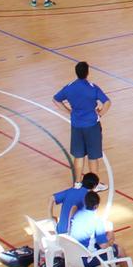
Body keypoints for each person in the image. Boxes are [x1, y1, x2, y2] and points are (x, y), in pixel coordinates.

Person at [54, 60, 110, 188]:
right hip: (92, 126)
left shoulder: (69, 87)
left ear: (76, 72)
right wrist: (100, 114)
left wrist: (69, 111)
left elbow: (55, 99)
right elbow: (107, 102)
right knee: (93, 156)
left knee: (78, 156)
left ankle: (78, 183)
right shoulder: (92, 87)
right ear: (87, 73)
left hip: (76, 126)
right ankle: (95, 185)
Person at [67, 191, 128, 267]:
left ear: (84, 202)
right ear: (96, 206)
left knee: (105, 245)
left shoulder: (77, 214)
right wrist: (111, 235)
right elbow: (104, 246)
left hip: (71, 255)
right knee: (119, 249)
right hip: (84, 260)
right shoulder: (96, 221)